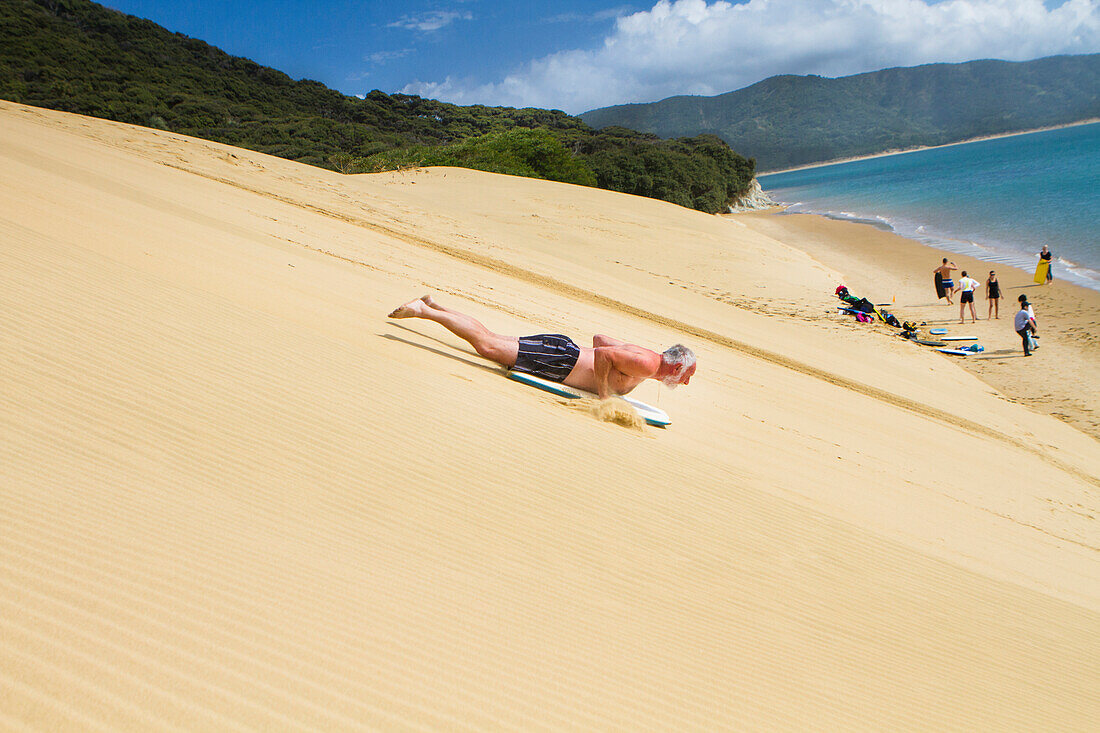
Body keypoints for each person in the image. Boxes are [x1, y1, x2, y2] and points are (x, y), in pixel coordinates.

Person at [387, 294, 696, 399]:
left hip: (563, 351)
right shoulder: (648, 364)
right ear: (676, 364)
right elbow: (603, 352)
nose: (686, 381)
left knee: (490, 339)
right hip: (561, 361)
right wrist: (603, 392)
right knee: (487, 346)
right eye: (687, 374)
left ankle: (435, 306)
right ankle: (423, 311)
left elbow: (601, 340)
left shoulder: (646, 361)